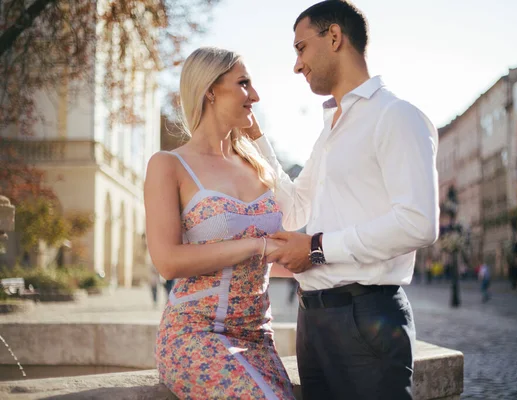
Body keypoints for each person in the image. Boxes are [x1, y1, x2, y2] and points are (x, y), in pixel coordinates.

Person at [244, 2, 439, 398]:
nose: (297, 65)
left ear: (334, 37)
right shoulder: (331, 130)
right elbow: (296, 206)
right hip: (314, 319)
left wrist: (315, 249)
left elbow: (419, 222)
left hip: (364, 319)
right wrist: (255, 138)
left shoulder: (396, 116)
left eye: (300, 48)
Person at [144, 47, 294, 399]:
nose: (254, 96)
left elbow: (295, 224)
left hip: (258, 337)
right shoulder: (169, 164)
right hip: (195, 333)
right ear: (210, 89)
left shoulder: (259, 167)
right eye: (244, 84)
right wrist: (257, 246)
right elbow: (167, 261)